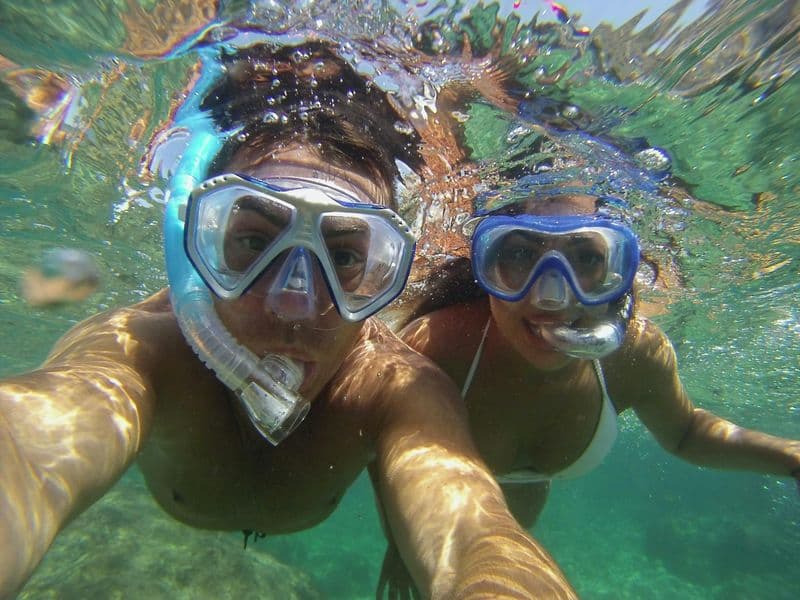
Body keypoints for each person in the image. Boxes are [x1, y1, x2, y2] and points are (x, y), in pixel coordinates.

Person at [0, 37, 578, 598]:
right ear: (200, 247)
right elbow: (29, 442)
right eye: (255, 243)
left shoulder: (392, 387)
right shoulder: (140, 350)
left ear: (384, 271)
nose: (293, 303)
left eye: (345, 258)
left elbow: (476, 535)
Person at [377, 177, 800, 596]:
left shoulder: (636, 355)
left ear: (618, 272)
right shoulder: (436, 348)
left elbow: (686, 432)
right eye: (521, 253)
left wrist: (790, 456)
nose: (552, 297)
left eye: (586, 258)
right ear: (486, 264)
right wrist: (403, 535)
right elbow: (386, 450)